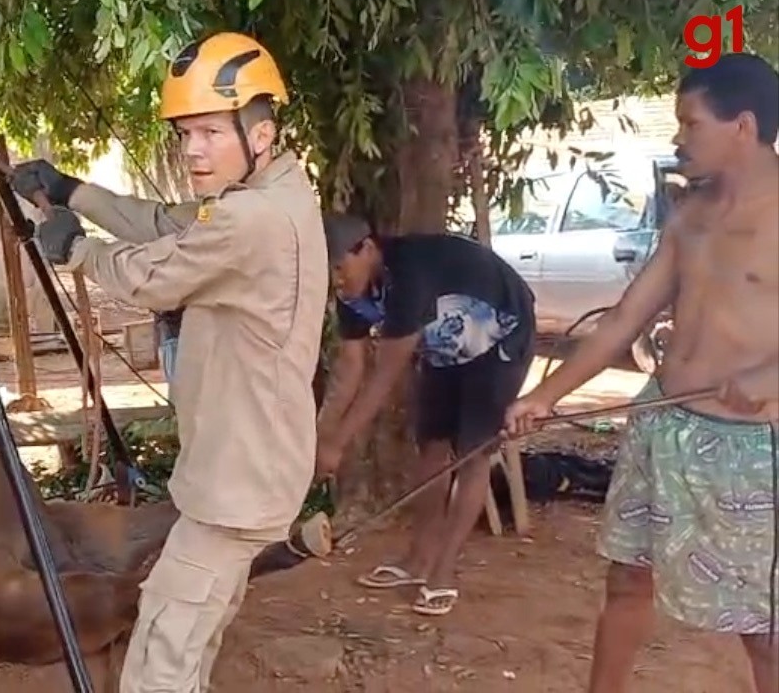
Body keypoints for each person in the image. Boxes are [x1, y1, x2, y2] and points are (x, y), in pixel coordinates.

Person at [16, 31, 328, 692]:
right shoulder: (266, 196)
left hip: (240, 480)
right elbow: (162, 223)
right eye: (186, 133)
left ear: (261, 131)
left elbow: (149, 278)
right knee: (190, 635)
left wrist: (76, 250)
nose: (192, 150)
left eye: (211, 132)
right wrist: (74, 191)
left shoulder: (255, 221)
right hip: (243, 469)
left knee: (160, 656)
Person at [505, 53, 779, 693]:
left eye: (690, 123)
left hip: (748, 447)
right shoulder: (692, 213)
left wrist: (770, 379)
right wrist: (544, 396)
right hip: (663, 422)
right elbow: (627, 316)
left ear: (741, 126)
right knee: (627, 577)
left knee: (763, 624)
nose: (678, 138)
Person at [317, 216, 536, 617]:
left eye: (337, 266)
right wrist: (323, 436)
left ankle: (443, 570)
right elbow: (350, 368)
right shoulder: (352, 294)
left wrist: (336, 445)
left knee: (473, 456)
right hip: (447, 349)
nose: (334, 278)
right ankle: (418, 560)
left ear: (366, 249)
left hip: (500, 339)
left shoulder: (408, 276)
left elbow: (384, 377)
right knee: (431, 449)